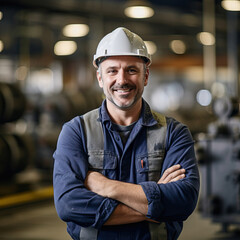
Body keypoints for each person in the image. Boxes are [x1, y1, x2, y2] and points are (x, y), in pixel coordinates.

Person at [53, 27, 200, 240]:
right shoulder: (76, 131)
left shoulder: (174, 133)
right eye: (112, 70)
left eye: (132, 70)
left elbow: (184, 201)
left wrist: (105, 186)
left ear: (146, 76)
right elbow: (69, 205)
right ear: (100, 78)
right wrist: (154, 207)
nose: (122, 80)